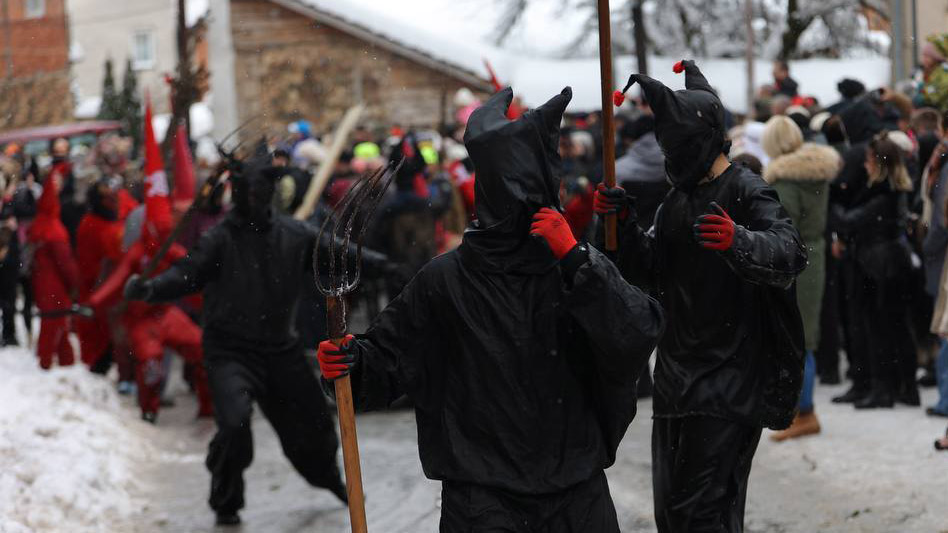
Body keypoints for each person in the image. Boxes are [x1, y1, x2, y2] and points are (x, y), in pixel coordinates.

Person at [317, 87, 664, 531]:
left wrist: (580, 259)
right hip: (482, 501)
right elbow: (385, 365)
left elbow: (638, 331)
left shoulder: (573, 271)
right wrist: (349, 363)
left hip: (575, 493)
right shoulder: (445, 280)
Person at [600, 60, 807, 532]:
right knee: (673, 516)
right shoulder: (677, 199)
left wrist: (741, 240)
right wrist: (622, 226)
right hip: (676, 380)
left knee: (704, 515)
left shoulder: (747, 188)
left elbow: (790, 250)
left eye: (679, 145)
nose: (672, 156)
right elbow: (649, 271)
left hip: (730, 381)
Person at [124, 155, 350, 526]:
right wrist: (150, 289)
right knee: (234, 425)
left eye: (257, 190)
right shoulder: (220, 238)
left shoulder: (294, 235)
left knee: (313, 427)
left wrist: (396, 270)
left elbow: (342, 256)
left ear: (269, 192)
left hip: (282, 350)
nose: (249, 198)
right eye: (243, 190)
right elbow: (186, 274)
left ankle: (328, 476)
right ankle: (226, 495)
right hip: (230, 351)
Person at [762, 116, 841, 441]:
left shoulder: (786, 180)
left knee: (799, 341)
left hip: (795, 262)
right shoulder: (817, 171)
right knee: (805, 337)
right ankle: (801, 409)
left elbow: (783, 225)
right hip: (815, 255)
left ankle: (803, 411)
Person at [831, 132, 917, 408]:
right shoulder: (891, 189)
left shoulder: (883, 194)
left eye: (869, 160)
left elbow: (850, 220)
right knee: (890, 327)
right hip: (884, 262)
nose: (865, 165)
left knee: (877, 327)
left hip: (878, 264)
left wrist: (833, 203)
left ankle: (883, 387)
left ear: (878, 163)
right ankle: (896, 385)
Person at [28, 171, 79, 369]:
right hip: (53, 284)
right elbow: (65, 262)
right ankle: (47, 362)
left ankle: (65, 360)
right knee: (54, 323)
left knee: (55, 322)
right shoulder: (53, 227)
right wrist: (74, 282)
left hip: (43, 281)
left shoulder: (41, 222)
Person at [75, 179, 124, 373]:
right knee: (98, 332)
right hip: (97, 286)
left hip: (104, 287)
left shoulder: (102, 223)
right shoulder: (92, 225)